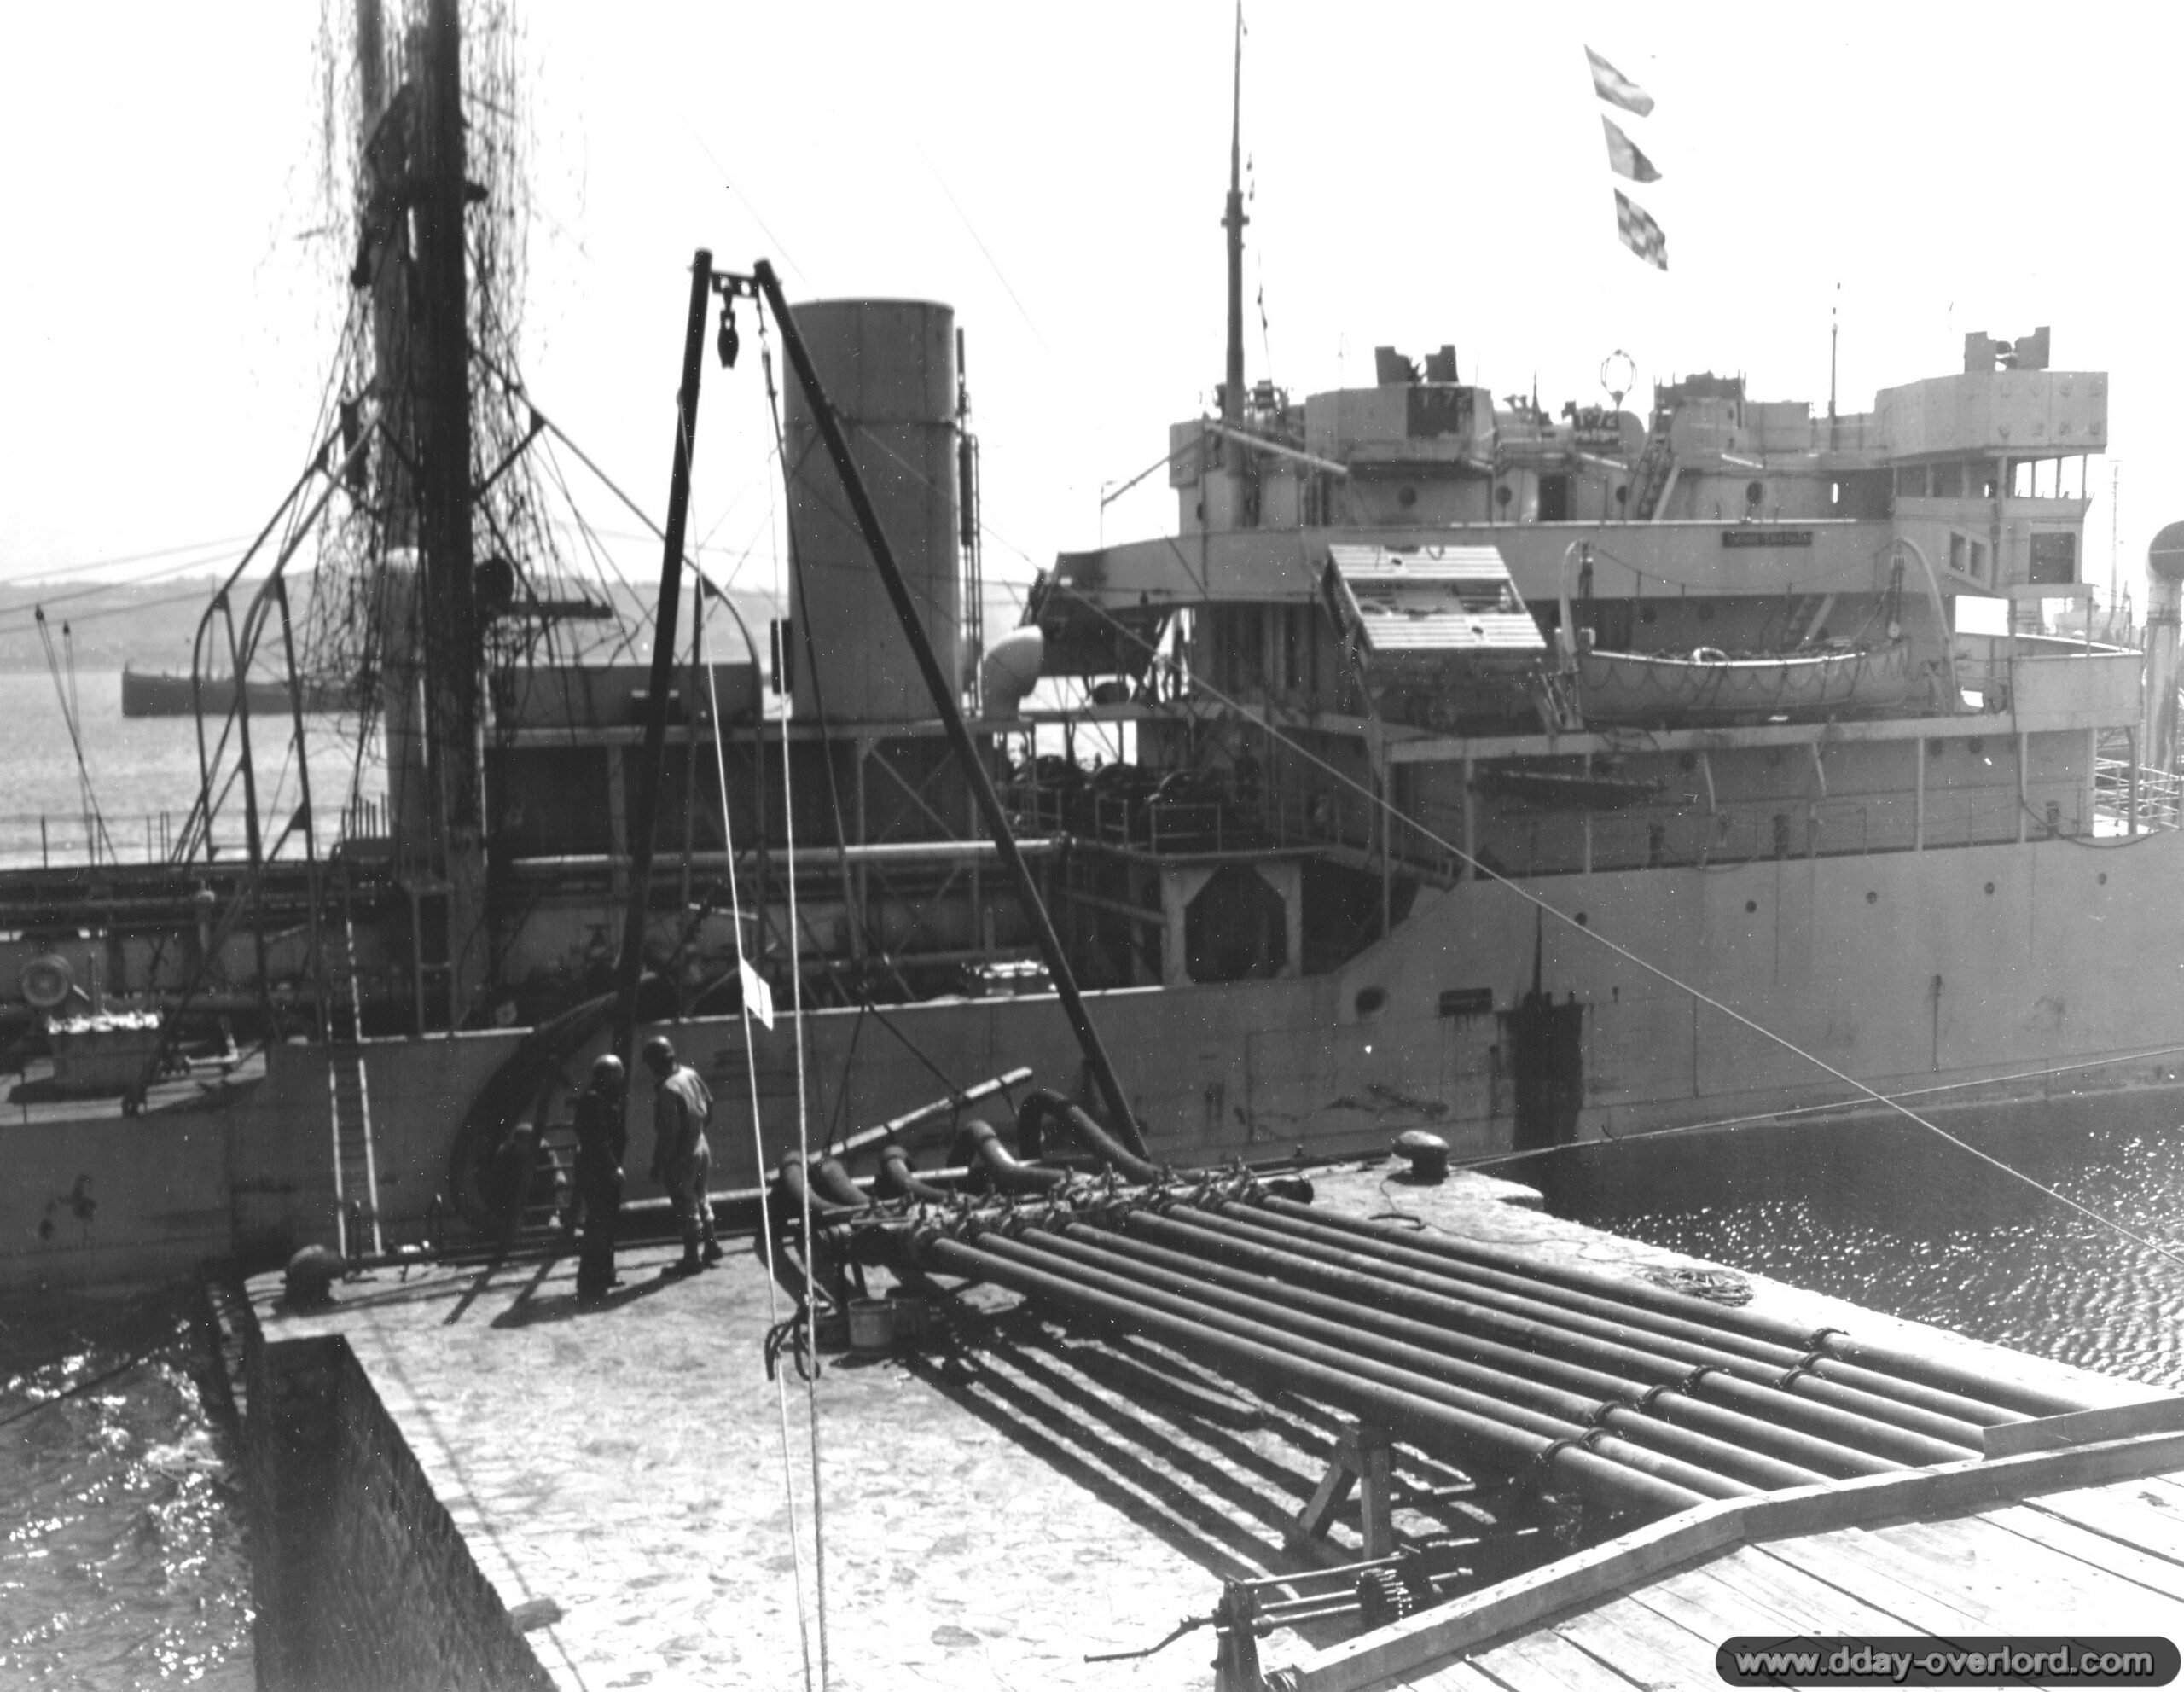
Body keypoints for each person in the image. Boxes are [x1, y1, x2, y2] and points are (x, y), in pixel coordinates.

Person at [643, 1034, 721, 1272]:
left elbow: (668, 1135)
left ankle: (692, 1258)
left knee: (684, 1203)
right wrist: (698, 1131)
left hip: (682, 1153)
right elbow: (709, 1103)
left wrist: (659, 1164)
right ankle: (711, 1245)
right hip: (701, 1144)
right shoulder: (689, 1074)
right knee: (701, 1196)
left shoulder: (668, 1089)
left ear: (657, 1063)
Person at [572, 1054, 628, 1303]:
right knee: (598, 1225)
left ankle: (605, 1274)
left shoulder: (604, 1097)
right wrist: (613, 1167)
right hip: (598, 1172)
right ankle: (590, 1283)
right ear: (606, 1074)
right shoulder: (594, 1100)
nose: (622, 1076)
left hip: (602, 1170)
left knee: (607, 1224)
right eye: (618, 1071)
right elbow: (598, 1138)